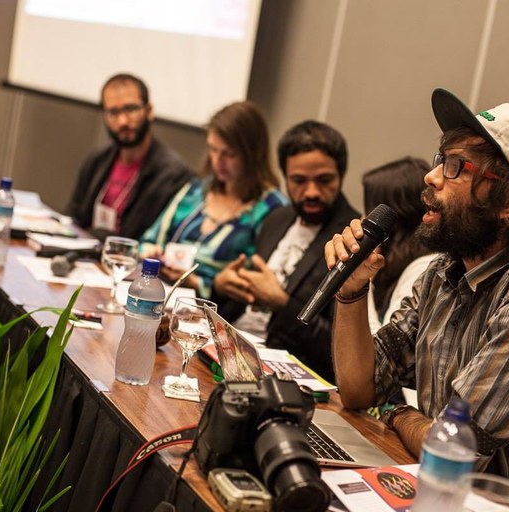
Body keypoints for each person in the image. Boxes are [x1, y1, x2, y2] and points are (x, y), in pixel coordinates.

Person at [325, 88, 509, 511]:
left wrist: (395, 412)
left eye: (456, 167)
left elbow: (453, 451)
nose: (431, 177)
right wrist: (351, 290)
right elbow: (360, 388)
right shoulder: (444, 272)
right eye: (441, 160)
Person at [213, 120, 359, 382]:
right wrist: (222, 287)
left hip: (286, 375)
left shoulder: (353, 238)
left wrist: (281, 304)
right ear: (285, 177)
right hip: (231, 351)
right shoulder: (277, 218)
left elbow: (341, 349)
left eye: (324, 180)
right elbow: (242, 305)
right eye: (299, 181)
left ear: (340, 176)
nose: (311, 192)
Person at [141, 101, 286, 298]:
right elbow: (148, 240)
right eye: (213, 149)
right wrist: (149, 251)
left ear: (253, 154)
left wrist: (197, 283)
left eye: (228, 154)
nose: (217, 161)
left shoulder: (273, 209)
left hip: (215, 311)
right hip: (161, 290)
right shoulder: (197, 189)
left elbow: (253, 284)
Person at [66, 74, 192, 239]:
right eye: (113, 112)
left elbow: (154, 239)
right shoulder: (96, 160)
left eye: (130, 109)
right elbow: (72, 218)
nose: (122, 121)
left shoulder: (172, 175)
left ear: (149, 111)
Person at [362, 157, 435, 334]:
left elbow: (379, 350)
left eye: (371, 212)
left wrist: (361, 282)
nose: (363, 218)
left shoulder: (423, 269)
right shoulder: (394, 263)